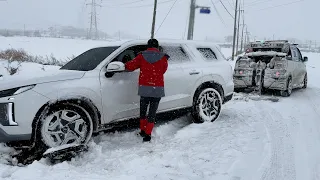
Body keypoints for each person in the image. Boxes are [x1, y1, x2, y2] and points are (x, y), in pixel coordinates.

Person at [125, 39, 169, 142]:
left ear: (147, 46)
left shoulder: (141, 56)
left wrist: (125, 65)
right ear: (157, 47)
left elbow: (131, 66)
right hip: (157, 89)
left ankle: (142, 131)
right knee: (152, 112)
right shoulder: (163, 58)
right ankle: (148, 134)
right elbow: (163, 70)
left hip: (145, 88)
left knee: (143, 111)